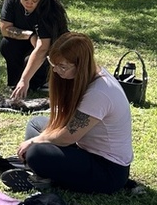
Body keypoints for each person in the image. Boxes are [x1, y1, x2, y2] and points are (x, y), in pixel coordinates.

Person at [15, 32, 133, 193]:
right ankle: (49, 172)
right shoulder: (89, 76)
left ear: (81, 65)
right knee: (36, 124)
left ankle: (46, 175)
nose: (56, 71)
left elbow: (68, 136)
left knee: (36, 152)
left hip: (108, 170)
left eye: (62, 66)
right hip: (84, 148)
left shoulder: (100, 93)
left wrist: (35, 141)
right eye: (53, 64)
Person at [0, 0, 69, 100]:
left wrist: (25, 80)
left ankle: (39, 82)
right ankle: (16, 82)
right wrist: (30, 35)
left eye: (34, 1)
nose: (29, 4)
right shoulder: (12, 0)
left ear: (41, 0)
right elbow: (5, 29)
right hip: (28, 42)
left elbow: (42, 48)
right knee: (6, 44)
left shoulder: (49, 10)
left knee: (30, 61)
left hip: (50, 51)